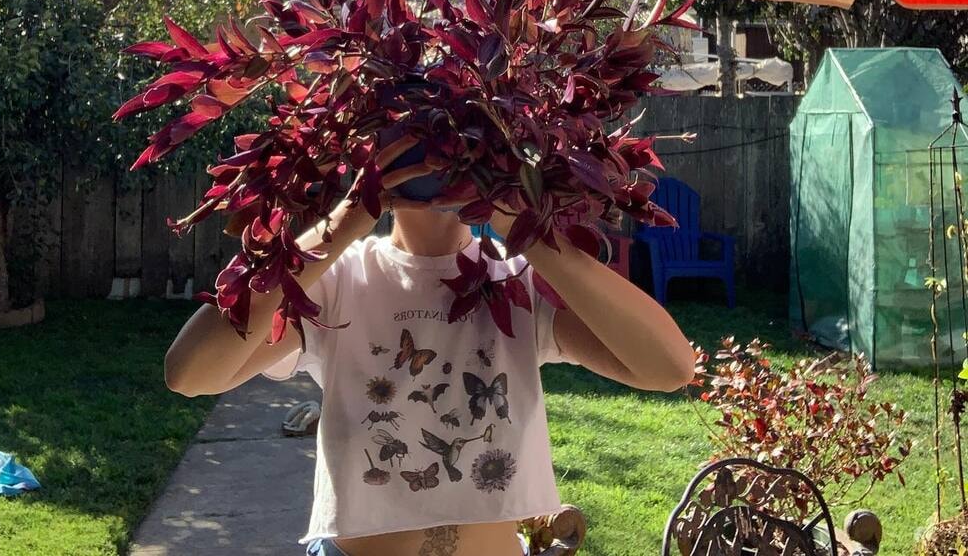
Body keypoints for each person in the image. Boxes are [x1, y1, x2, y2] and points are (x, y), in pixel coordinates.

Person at [165, 135, 697, 556]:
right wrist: (341, 226)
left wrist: (527, 231)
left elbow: (669, 367)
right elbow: (191, 374)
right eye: (413, 136)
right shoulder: (336, 281)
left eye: (463, 138)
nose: (438, 161)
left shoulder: (517, 281)